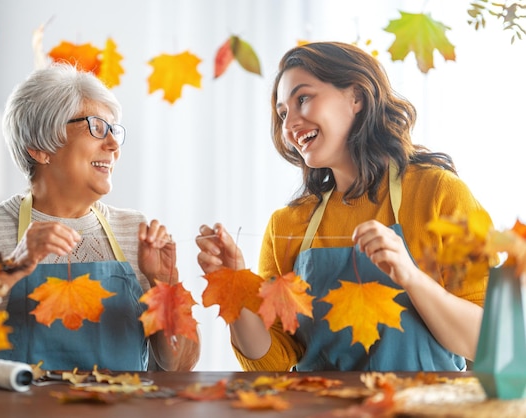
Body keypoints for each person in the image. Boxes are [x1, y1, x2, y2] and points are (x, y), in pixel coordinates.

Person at [196, 41, 492, 372]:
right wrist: (233, 287)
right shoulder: (287, 224)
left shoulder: (440, 194)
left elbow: (485, 342)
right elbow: (274, 360)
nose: (289, 124)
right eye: (282, 113)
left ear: (357, 97)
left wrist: (410, 276)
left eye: (302, 99)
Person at [0, 62, 199, 372]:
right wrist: (14, 266)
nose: (113, 146)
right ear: (41, 148)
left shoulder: (135, 231)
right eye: (96, 127)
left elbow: (180, 365)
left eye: (113, 131)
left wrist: (164, 282)